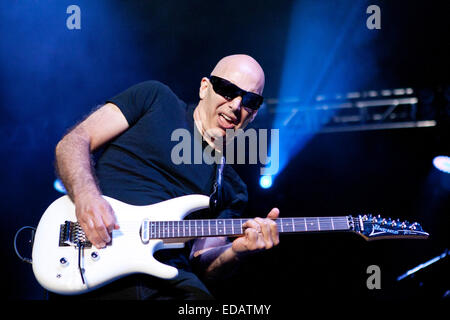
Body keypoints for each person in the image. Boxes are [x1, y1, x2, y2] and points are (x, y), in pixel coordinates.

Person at [51, 54, 280, 300]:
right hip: (91, 257)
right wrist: (87, 197)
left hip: (166, 281)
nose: (235, 105)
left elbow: (203, 263)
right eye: (227, 90)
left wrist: (237, 250)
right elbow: (74, 141)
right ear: (205, 88)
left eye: (249, 100)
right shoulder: (156, 99)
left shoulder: (232, 187)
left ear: (254, 114)